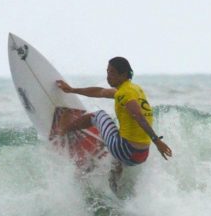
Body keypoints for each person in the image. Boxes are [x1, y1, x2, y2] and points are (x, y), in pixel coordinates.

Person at [56, 57, 172, 188]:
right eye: (107, 72)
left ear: (122, 75)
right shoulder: (134, 89)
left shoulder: (124, 94)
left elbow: (138, 116)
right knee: (118, 136)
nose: (108, 76)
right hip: (140, 155)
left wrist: (157, 141)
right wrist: (72, 90)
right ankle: (114, 187)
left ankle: (64, 129)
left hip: (126, 150)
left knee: (98, 115)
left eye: (112, 73)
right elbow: (100, 92)